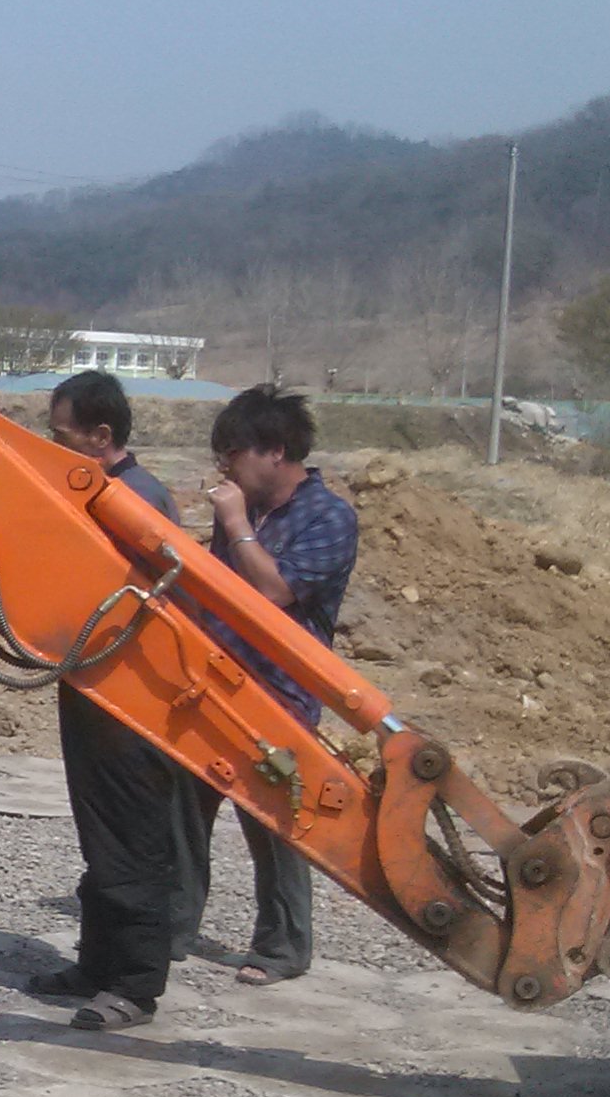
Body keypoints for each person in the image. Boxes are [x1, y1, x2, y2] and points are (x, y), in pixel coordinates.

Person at [174, 383, 360, 984]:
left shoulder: (329, 517)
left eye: (233, 453)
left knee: (275, 819)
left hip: (281, 690)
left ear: (276, 450)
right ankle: (172, 926)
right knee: (185, 806)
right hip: (216, 677)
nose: (225, 467)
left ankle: (283, 946)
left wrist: (236, 525)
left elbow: (275, 593)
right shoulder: (244, 513)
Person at [25, 371, 192, 1031]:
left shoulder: (137, 502)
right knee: (100, 833)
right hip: (93, 685)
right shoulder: (100, 495)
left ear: (101, 436)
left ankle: (135, 985)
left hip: (133, 695)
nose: (54, 447)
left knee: (134, 838)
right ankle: (96, 965)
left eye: (63, 436)